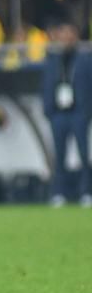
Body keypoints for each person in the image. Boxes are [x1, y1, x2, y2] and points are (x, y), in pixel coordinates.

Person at [40, 21, 92, 207]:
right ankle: (58, 193)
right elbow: (46, 86)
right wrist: (49, 111)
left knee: (84, 155)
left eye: (70, 35)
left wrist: (86, 112)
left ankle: (86, 192)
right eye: (63, 35)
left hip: (78, 112)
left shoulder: (85, 59)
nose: (67, 39)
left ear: (76, 37)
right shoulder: (53, 60)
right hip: (59, 114)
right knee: (59, 156)